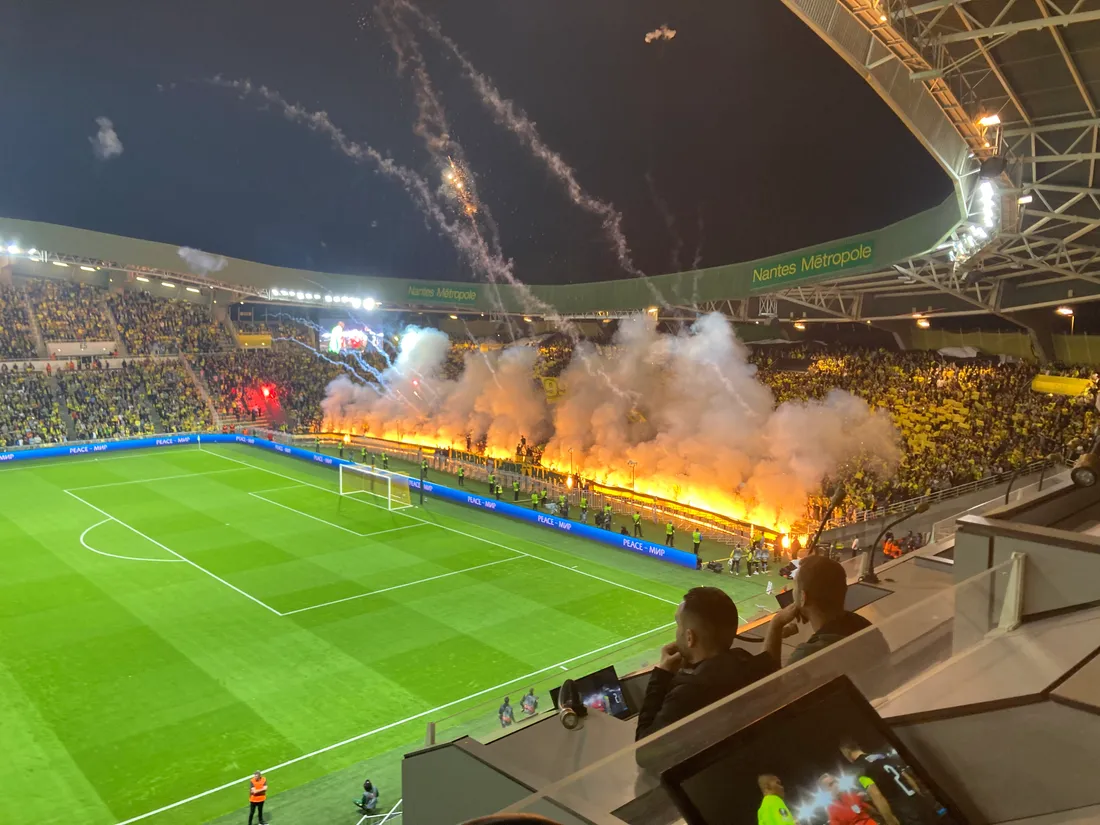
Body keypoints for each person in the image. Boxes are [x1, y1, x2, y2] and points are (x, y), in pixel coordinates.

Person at [635, 587, 776, 740]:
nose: (677, 633)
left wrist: (662, 675)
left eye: (678, 625)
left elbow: (644, 749)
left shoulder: (688, 694)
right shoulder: (749, 662)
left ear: (690, 637)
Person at [764, 554, 874, 666]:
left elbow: (771, 682)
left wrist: (776, 624)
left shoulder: (808, 656)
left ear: (803, 597)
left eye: (795, 585)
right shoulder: (865, 626)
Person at [841, 740, 931, 825]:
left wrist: (890, 820)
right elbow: (906, 776)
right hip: (919, 802)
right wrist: (919, 793)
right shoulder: (881, 756)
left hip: (905, 813)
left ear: (846, 752)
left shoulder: (860, 770)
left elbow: (876, 795)